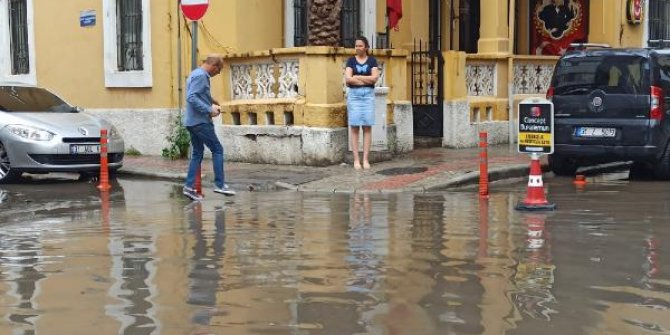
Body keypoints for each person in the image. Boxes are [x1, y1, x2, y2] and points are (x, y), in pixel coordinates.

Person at [182, 55, 236, 201]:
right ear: (214, 66)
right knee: (217, 149)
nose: (217, 74)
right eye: (219, 70)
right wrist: (208, 109)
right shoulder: (202, 76)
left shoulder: (195, 73)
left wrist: (212, 100)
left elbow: (198, 94)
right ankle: (219, 184)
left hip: (192, 122)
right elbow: (191, 97)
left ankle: (189, 187)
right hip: (200, 122)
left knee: (197, 153)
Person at [344, 36, 379, 170]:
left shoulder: (372, 60)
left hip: (368, 97)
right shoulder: (351, 61)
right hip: (354, 96)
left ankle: (365, 159)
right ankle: (356, 160)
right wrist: (366, 79)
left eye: (360, 45)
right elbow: (348, 79)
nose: (358, 48)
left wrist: (357, 77)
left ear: (366, 47)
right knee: (354, 128)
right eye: (356, 46)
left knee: (367, 127)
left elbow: (374, 79)